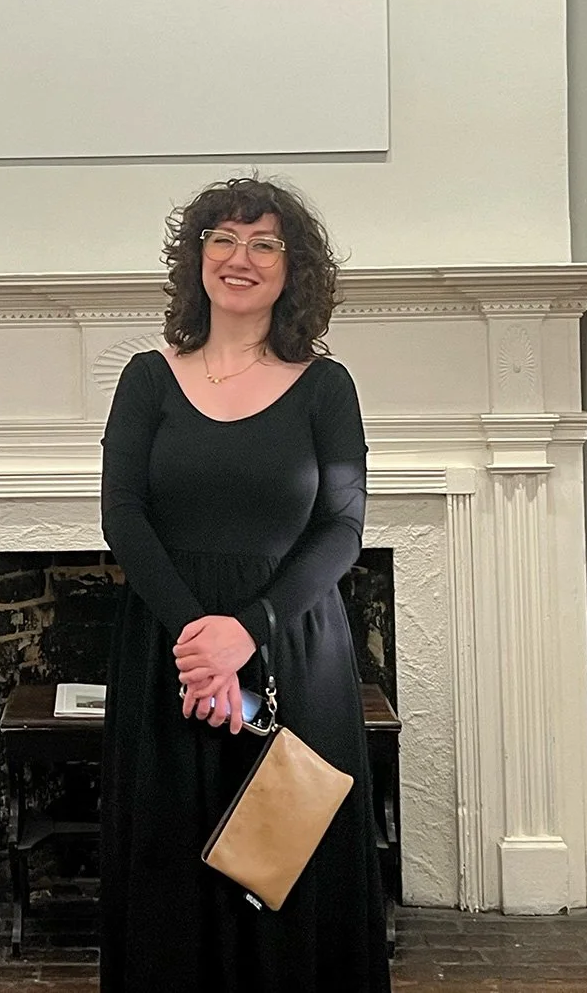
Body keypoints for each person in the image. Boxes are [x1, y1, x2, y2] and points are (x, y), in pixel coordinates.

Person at [98, 176, 389, 993]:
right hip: (171, 654)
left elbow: (342, 530)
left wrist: (245, 632)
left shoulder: (327, 389)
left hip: (293, 650)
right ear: (196, 260)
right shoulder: (147, 379)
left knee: (287, 863)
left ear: (292, 269)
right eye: (223, 239)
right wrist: (202, 641)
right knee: (171, 862)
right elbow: (123, 517)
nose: (241, 258)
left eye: (264, 243)